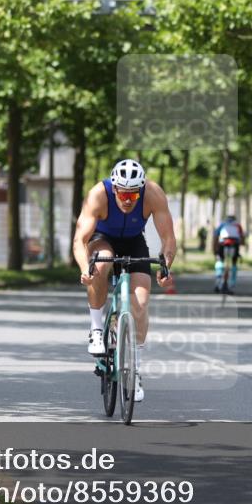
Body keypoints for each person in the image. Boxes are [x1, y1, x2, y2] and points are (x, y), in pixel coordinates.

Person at [72, 159, 177, 402]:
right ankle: (97, 329)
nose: (128, 200)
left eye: (133, 195)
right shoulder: (98, 194)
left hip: (133, 240)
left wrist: (165, 266)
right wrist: (83, 268)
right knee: (101, 262)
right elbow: (80, 240)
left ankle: (135, 371)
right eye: (123, 194)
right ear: (114, 188)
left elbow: (169, 239)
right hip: (102, 238)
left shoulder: (153, 194)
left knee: (140, 300)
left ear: (140, 191)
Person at [213, 215, 245, 293]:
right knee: (233, 264)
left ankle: (218, 281)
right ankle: (231, 285)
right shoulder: (237, 225)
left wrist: (215, 248)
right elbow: (242, 238)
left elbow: (216, 235)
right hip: (234, 245)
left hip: (223, 244)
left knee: (220, 261)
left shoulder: (223, 224)